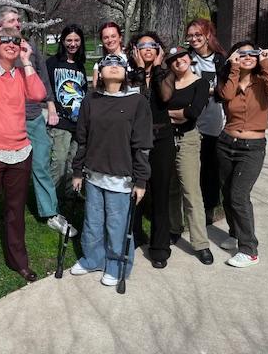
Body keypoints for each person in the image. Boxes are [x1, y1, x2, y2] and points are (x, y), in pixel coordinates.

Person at [0, 27, 47, 290]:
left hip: (19, 151)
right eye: (5, 40)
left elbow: (38, 94)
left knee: (15, 212)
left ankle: (18, 261)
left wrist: (26, 61)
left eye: (17, 40)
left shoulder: (21, 74)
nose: (12, 44)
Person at [70, 54, 152, 286]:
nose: (113, 67)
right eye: (108, 65)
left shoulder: (137, 102)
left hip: (122, 178)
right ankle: (93, 259)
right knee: (93, 223)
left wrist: (141, 180)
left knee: (117, 226)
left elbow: (142, 145)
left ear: (126, 72)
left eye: (119, 65)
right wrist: (77, 171)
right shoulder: (90, 101)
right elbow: (82, 139)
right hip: (94, 175)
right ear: (100, 72)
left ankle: (117, 264)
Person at [0, 7, 73, 235]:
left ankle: (50, 212)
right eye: (11, 20)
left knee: (40, 164)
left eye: (19, 20)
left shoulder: (29, 47)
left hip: (33, 117)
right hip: (7, 119)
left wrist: (50, 106)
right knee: (3, 168)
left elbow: (42, 78)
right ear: (0, 26)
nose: (18, 23)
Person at [217, 42, 268, 268]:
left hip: (252, 148)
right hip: (226, 143)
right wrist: (234, 69)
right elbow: (225, 95)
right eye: (241, 53)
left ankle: (249, 249)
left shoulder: (263, 80)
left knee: (238, 195)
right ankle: (234, 233)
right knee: (226, 192)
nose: (247, 57)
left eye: (252, 53)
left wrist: (267, 64)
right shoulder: (230, 79)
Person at [127, 32, 175, 268]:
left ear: (159, 50)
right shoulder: (129, 74)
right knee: (134, 192)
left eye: (152, 45)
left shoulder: (165, 73)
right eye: (142, 46)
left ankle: (160, 248)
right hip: (135, 140)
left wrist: (156, 69)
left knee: (160, 193)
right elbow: (137, 102)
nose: (147, 49)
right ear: (135, 50)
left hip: (162, 138)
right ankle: (133, 237)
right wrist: (138, 71)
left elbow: (165, 97)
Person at [164, 46, 214, 264]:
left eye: (181, 57)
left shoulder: (200, 83)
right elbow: (158, 109)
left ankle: (200, 243)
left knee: (191, 192)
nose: (178, 62)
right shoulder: (168, 83)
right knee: (171, 189)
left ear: (189, 58)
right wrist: (177, 114)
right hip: (166, 139)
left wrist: (170, 114)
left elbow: (193, 113)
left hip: (187, 140)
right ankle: (175, 228)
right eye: (173, 59)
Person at [46, 24, 87, 231]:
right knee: (59, 160)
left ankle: (71, 193)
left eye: (76, 40)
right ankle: (52, 204)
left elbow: (83, 90)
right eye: (69, 40)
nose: (73, 44)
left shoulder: (80, 64)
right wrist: (52, 109)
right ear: (63, 41)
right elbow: (46, 89)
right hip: (60, 122)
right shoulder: (53, 63)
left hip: (78, 121)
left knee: (73, 160)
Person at [186, 19, 226, 225]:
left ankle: (209, 207)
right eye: (190, 35)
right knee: (192, 168)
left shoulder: (220, 60)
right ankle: (192, 207)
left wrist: (206, 91)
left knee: (210, 169)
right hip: (192, 121)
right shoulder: (187, 58)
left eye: (198, 34)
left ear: (208, 34)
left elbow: (226, 91)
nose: (193, 39)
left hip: (213, 122)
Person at [92, 22, 127, 89]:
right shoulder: (99, 64)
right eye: (106, 38)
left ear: (120, 38)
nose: (110, 40)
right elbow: (96, 88)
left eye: (113, 36)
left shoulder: (131, 58)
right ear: (102, 41)